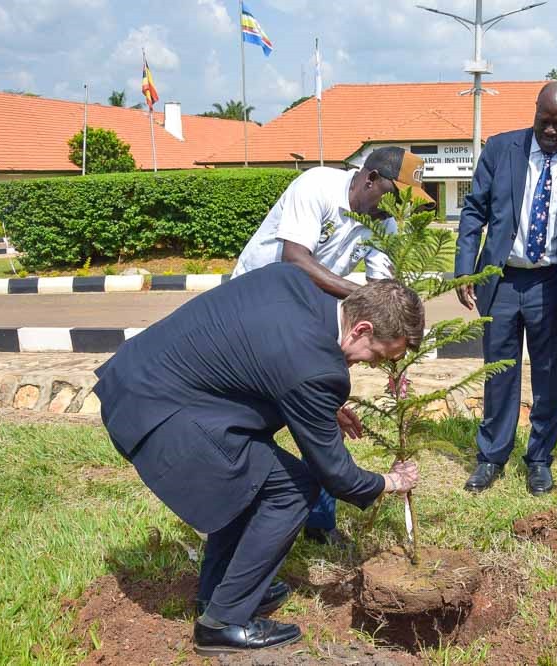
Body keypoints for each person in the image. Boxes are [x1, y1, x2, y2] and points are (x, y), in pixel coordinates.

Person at [93, 266, 423, 654]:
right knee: (293, 490)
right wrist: (391, 481)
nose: (371, 365)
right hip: (161, 415)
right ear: (362, 329)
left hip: (138, 379)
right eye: (378, 356)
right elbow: (336, 474)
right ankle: (224, 623)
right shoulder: (314, 369)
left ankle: (219, 593)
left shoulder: (291, 281)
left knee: (254, 479)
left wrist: (317, 406)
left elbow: (256, 357)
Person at [232, 146, 434, 547]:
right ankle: (245, 516)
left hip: (311, 310)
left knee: (328, 406)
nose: (395, 211)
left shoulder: (383, 225)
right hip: (257, 306)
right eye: (393, 197)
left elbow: (386, 300)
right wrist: (364, 295)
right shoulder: (318, 187)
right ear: (370, 178)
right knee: (255, 417)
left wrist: (400, 367)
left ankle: (320, 523)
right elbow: (295, 260)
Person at [455, 81, 557, 496]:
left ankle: (539, 459)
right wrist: (464, 268)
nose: (552, 131)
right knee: (499, 373)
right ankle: (491, 457)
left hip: (550, 284)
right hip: (502, 280)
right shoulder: (501, 149)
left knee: (549, 376)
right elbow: (474, 211)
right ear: (535, 111)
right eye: (545, 121)